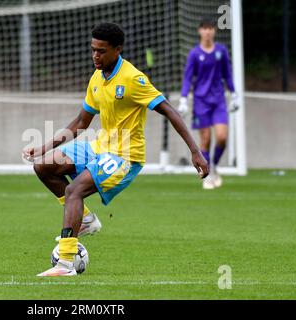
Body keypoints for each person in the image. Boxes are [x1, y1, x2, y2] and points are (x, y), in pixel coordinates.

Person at [23, 23, 209, 277]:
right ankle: (86, 220)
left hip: (124, 156)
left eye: (101, 51)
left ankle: (65, 263)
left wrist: (195, 151)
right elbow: (80, 123)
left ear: (117, 49)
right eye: (92, 50)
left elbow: (169, 110)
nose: (95, 56)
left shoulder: (134, 79)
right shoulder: (97, 79)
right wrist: (45, 147)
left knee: (73, 190)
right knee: (44, 167)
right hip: (99, 147)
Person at [178, 17, 239, 189]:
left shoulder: (221, 51)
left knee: (222, 137)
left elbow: (227, 74)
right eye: (204, 28)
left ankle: (215, 165)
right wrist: (183, 99)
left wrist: (234, 94)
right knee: (205, 140)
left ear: (214, 31)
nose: (207, 31)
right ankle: (208, 174)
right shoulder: (194, 54)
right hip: (200, 102)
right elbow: (188, 77)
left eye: (210, 28)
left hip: (219, 100)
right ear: (200, 31)